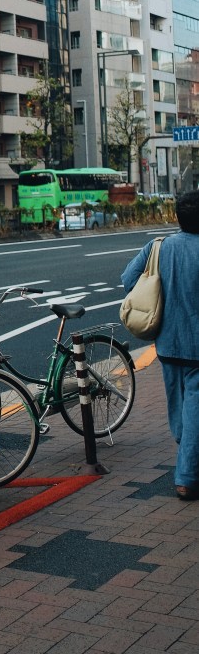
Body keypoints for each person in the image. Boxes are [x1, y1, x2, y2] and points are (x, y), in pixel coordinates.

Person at [122, 190, 199, 500]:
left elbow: (128, 279)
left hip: (166, 342)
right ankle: (186, 476)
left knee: (179, 404)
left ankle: (189, 451)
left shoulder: (159, 247)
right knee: (194, 405)